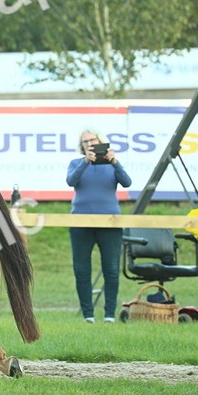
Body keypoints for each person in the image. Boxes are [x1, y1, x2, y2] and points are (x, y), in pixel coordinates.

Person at [66, 128, 133, 323]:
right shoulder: (76, 163)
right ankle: (88, 315)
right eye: (85, 142)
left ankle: (110, 315)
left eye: (92, 140)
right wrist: (86, 161)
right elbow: (71, 181)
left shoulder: (112, 165)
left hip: (110, 223)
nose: (89, 144)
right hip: (80, 222)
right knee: (81, 269)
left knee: (111, 268)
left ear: (100, 142)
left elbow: (127, 182)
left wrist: (115, 162)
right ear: (82, 146)